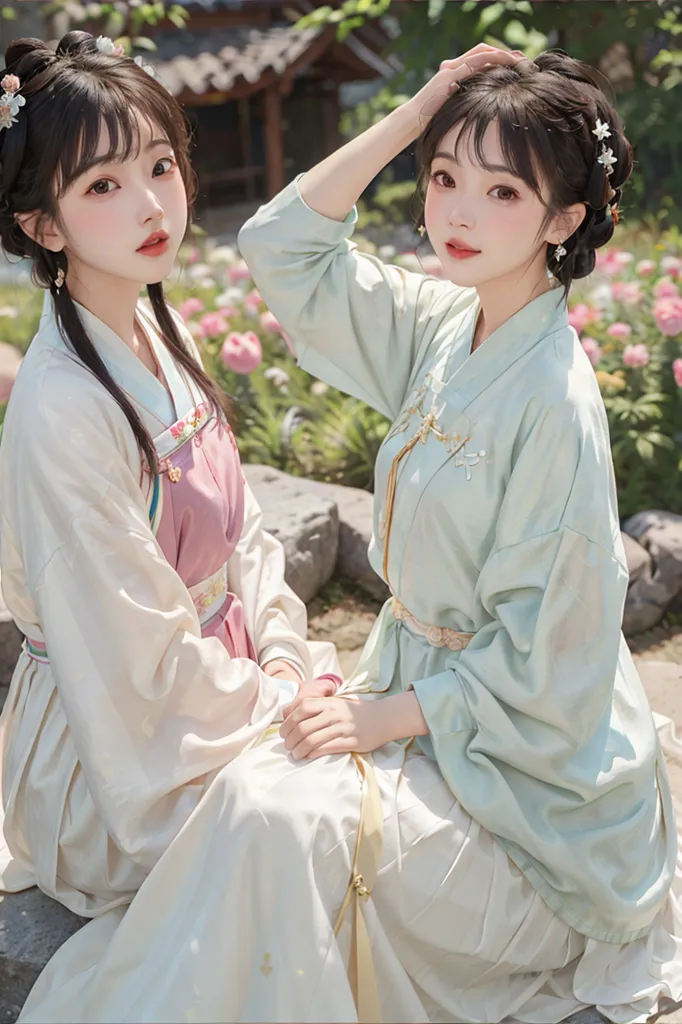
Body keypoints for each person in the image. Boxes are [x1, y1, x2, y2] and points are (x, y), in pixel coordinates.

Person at [6, 38, 682, 1024]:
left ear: (565, 217)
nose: (455, 211)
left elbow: (561, 650)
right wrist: (419, 111)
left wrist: (380, 712)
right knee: (276, 815)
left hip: (517, 743)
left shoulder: (551, 397)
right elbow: (283, 245)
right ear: (43, 222)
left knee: (283, 825)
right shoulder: (450, 325)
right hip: (189, 710)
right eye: (445, 178)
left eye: (502, 194)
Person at [0, 29, 341, 940]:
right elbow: (131, 666)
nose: (152, 203)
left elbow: (248, 541)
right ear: (42, 225)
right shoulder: (61, 410)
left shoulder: (154, 328)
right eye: (102, 187)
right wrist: (280, 704)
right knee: (336, 833)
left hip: (220, 689)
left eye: (160, 164)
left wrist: (282, 657)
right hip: (115, 750)